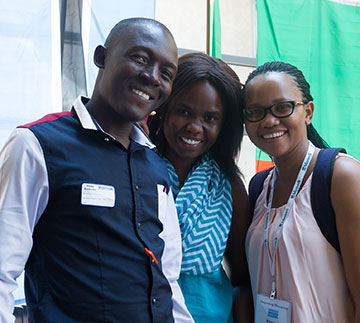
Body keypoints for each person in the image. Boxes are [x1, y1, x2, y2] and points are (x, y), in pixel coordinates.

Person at [0, 17, 194, 322]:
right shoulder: (38, 145)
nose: (153, 77)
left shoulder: (155, 166)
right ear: (101, 57)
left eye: (166, 73)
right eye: (141, 59)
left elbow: (167, 277)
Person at [242, 61, 360, 322]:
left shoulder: (342, 176)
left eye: (282, 107)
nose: (269, 121)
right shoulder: (259, 187)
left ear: (308, 112)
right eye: (255, 112)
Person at [148, 52, 253, 323]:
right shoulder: (136, 169)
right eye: (184, 111)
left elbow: (242, 279)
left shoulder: (228, 185)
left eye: (210, 118)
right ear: (165, 107)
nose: (195, 127)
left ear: (224, 125)